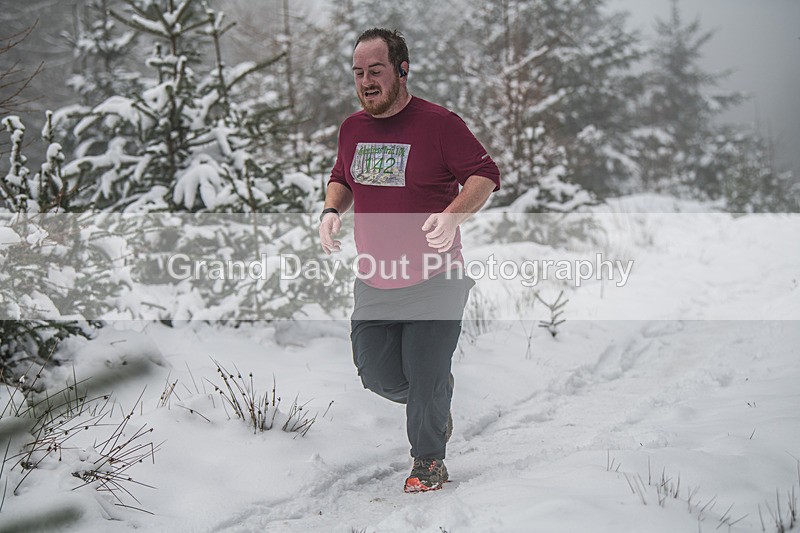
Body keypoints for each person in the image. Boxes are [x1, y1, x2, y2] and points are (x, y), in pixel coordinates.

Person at [318, 28, 500, 493]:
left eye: (375, 71)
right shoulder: (352, 128)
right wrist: (331, 210)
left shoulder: (438, 124)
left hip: (436, 277)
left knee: (424, 373)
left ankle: (429, 461)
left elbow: (484, 173)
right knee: (375, 374)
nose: (365, 81)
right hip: (376, 279)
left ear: (402, 70)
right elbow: (342, 176)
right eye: (358, 73)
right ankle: (435, 396)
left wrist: (453, 215)